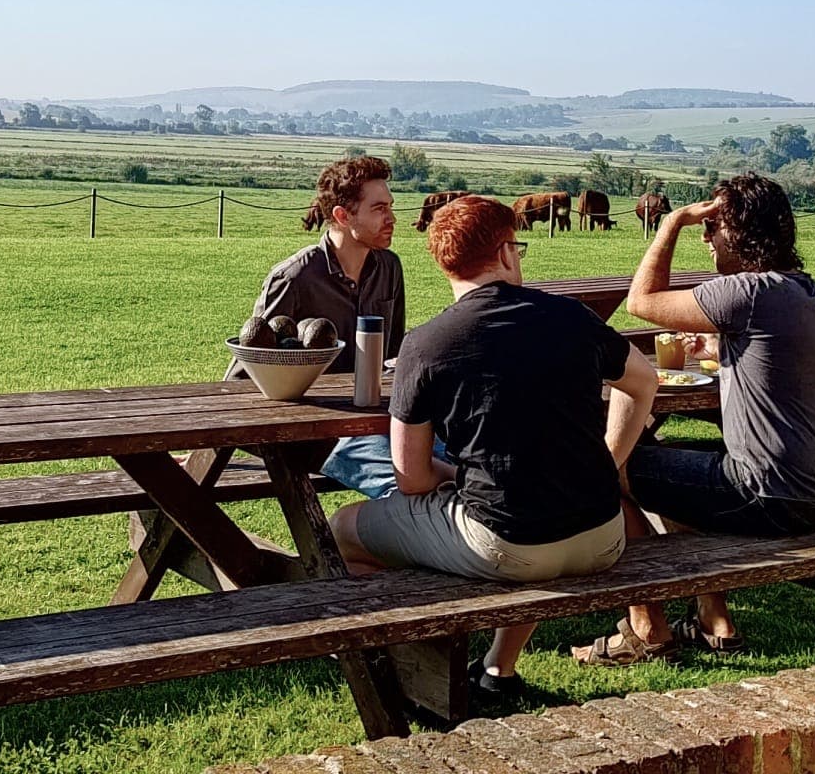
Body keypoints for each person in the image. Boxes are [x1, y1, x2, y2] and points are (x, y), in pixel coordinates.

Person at [330, 195, 659, 694]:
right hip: (603, 535)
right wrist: (608, 460)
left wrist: (459, 477)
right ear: (505, 253)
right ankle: (496, 670)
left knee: (343, 530)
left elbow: (411, 479)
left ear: (445, 264)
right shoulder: (572, 317)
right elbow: (643, 382)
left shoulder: (426, 344)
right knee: (520, 520)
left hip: (506, 545)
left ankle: (410, 672)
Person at [573, 172, 815, 666]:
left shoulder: (747, 291)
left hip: (769, 494)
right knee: (678, 470)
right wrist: (724, 349)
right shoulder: (812, 293)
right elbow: (781, 359)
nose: (705, 237)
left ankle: (646, 628)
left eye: (712, 225)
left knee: (605, 469)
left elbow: (641, 302)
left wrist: (670, 225)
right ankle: (714, 618)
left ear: (741, 232)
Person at [239, 155, 405, 498]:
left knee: (462, 468)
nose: (391, 218)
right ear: (343, 216)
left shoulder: (389, 268)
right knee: (407, 487)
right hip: (318, 433)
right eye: (379, 209)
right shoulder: (294, 278)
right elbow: (244, 376)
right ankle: (354, 529)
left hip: (379, 420)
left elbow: (393, 357)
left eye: (390, 206)